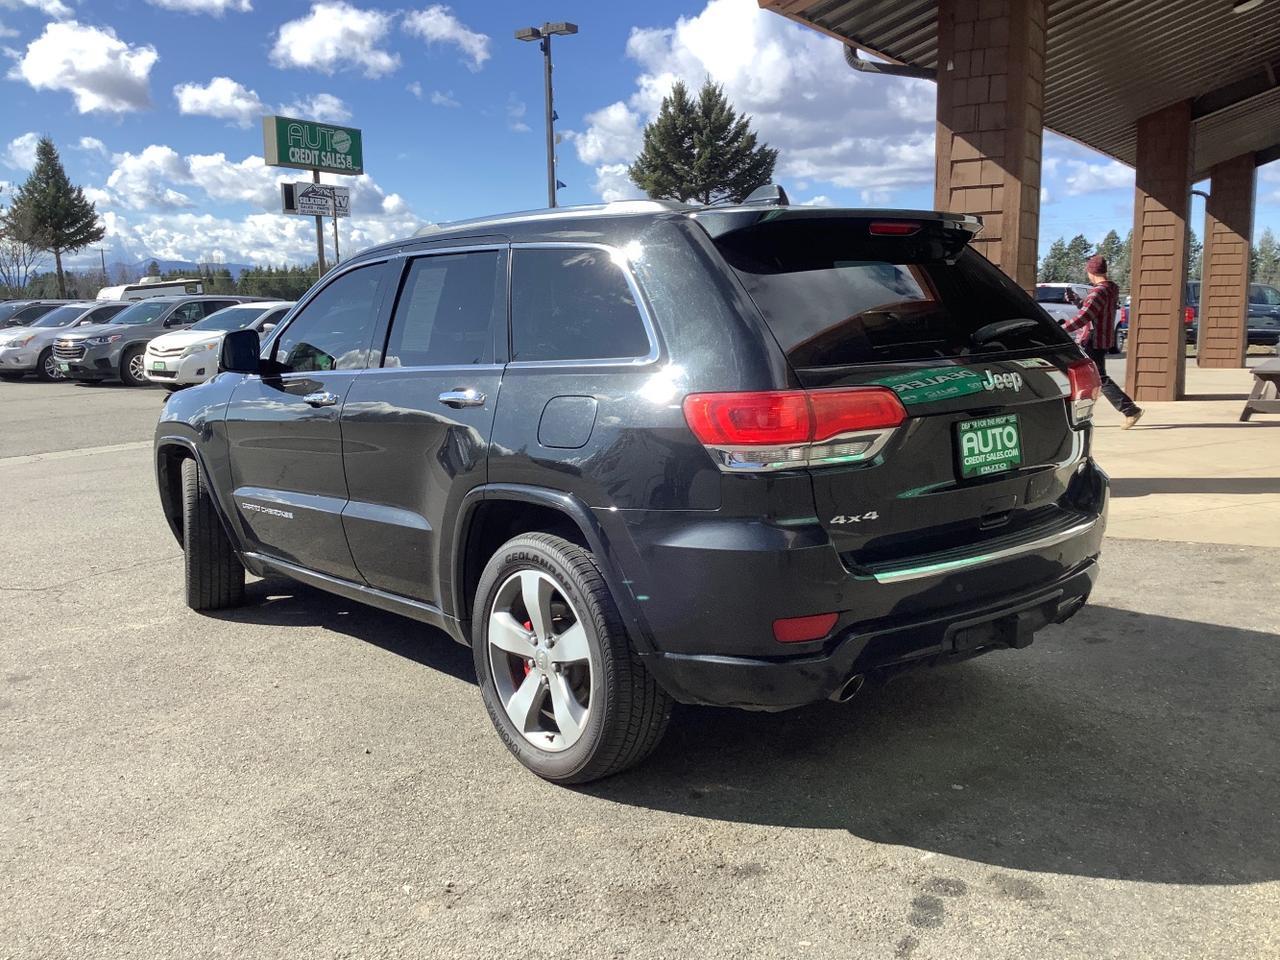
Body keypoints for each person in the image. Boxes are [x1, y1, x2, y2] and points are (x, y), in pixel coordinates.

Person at [1063, 254, 1143, 429]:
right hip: (1103, 339)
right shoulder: (1110, 289)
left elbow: (1084, 316)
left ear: (1091, 272)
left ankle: (1130, 410)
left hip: (1092, 340)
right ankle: (1078, 412)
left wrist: (1061, 329)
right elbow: (1095, 310)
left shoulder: (1098, 292)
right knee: (1088, 376)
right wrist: (1077, 301)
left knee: (1097, 377)